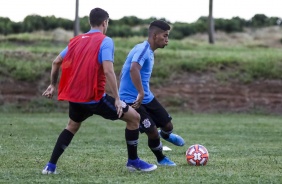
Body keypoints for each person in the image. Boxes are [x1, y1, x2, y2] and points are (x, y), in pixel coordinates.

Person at [41, 7, 157, 174]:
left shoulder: (76, 40)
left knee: (72, 126)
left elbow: (56, 62)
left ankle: (50, 166)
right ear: (105, 22)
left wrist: (53, 85)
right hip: (95, 98)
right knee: (134, 118)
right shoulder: (106, 41)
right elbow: (108, 70)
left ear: (90, 22)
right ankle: (133, 162)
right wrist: (117, 98)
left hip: (76, 97)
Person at [119, 20, 185, 166]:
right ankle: (161, 158)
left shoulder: (149, 51)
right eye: (165, 35)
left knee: (168, 125)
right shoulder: (143, 49)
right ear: (155, 35)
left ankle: (166, 135)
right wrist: (140, 93)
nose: (167, 39)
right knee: (152, 131)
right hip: (132, 100)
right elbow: (133, 68)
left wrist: (144, 94)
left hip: (146, 97)